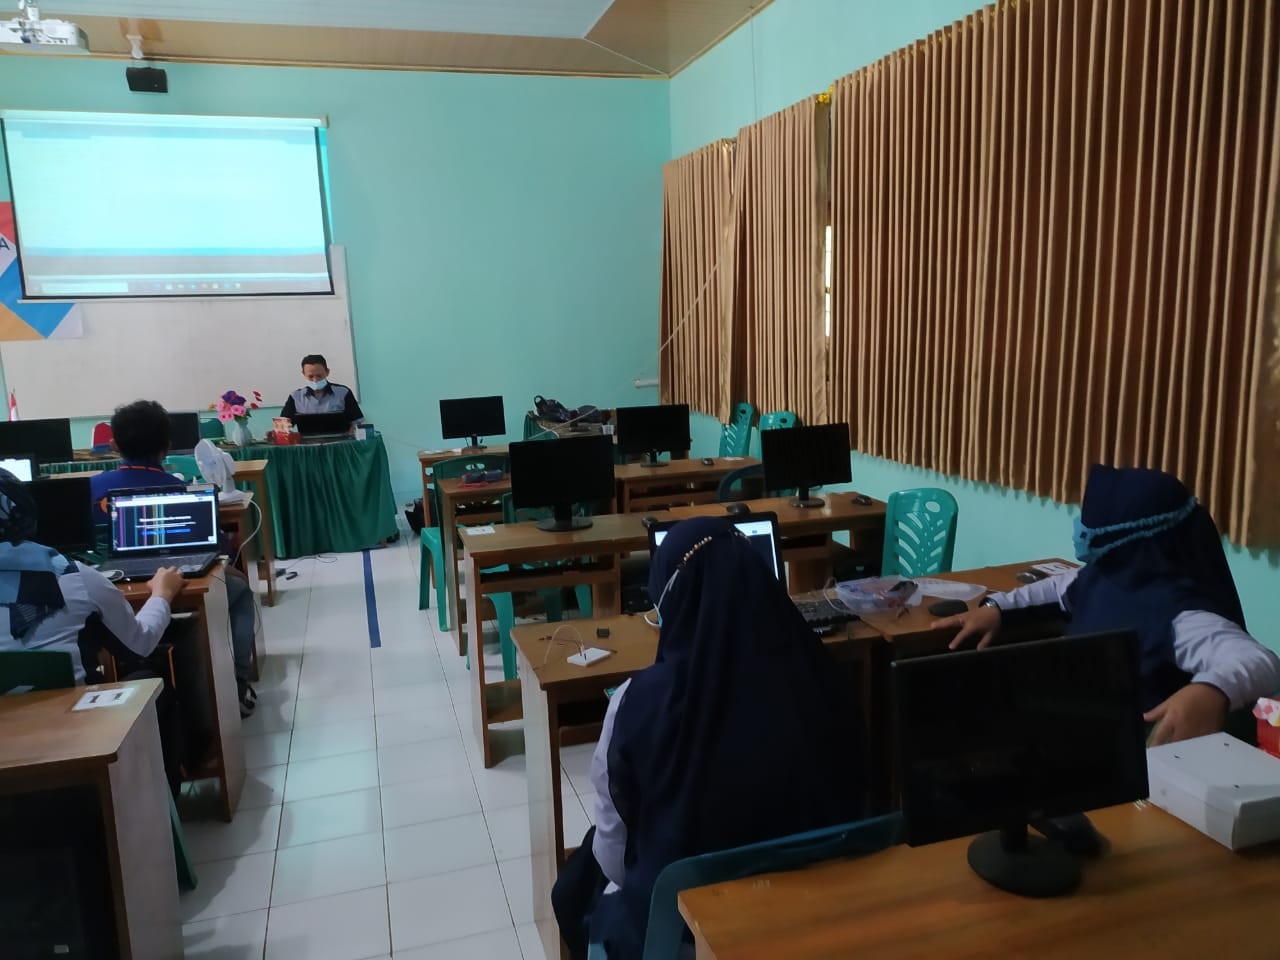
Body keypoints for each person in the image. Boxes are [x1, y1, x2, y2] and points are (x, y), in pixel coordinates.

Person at [556, 517, 865, 959]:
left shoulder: (636, 702)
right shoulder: (829, 680)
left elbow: (615, 861)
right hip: (816, 921)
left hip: (683, 937)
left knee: (575, 887)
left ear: (670, 598)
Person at [935, 463, 1280, 746]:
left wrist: (1212, 690)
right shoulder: (1106, 577)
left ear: (1136, 537)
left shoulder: (1181, 614)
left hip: (1132, 756)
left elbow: (1260, 661)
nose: (1080, 528)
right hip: (1077, 724)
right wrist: (996, 608)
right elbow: (1056, 588)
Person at [0, 468, 187, 793]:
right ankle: (159, 806)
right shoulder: (75, 578)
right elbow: (140, 644)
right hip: (81, 739)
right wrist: (162, 594)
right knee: (151, 681)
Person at [91, 400, 259, 717]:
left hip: (111, 587)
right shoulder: (178, 488)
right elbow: (220, 552)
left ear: (114, 445)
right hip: (177, 583)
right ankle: (236, 680)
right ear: (167, 446)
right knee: (238, 590)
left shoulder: (91, 487)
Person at [281, 353, 363, 423]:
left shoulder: (343, 392)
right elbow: (283, 424)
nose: (315, 380)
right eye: (310, 376)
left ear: (327, 372)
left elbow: (357, 421)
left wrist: (352, 430)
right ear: (303, 374)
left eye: (319, 376)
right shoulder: (295, 397)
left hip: (340, 436)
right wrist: (281, 429)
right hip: (308, 437)